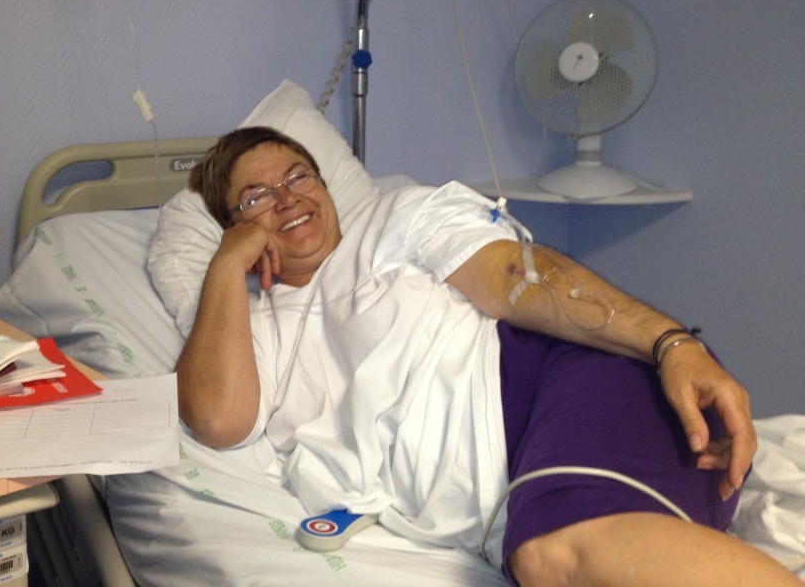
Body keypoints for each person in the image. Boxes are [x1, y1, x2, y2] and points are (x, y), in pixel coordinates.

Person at [175, 126, 799, 587]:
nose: (287, 199)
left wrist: (671, 343)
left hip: (567, 386)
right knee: (543, 557)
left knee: (551, 556)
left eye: (297, 177)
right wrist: (227, 264)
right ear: (232, 225)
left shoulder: (394, 218)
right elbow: (216, 418)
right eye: (256, 197)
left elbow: (516, 276)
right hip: (518, 488)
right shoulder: (252, 325)